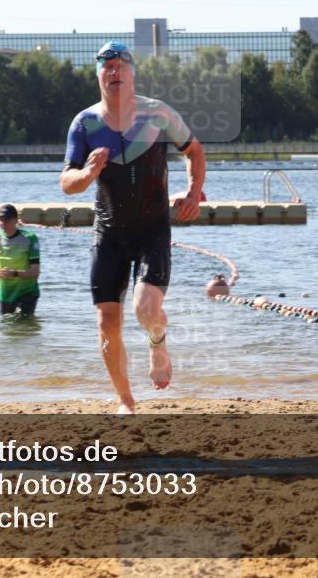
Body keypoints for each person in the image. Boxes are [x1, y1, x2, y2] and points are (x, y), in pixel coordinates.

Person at [59, 41, 206, 414]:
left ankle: (158, 344)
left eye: (121, 65)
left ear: (132, 73)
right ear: (99, 76)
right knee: (107, 322)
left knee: (145, 308)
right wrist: (89, 172)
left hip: (152, 229)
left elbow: (194, 151)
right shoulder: (85, 124)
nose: (114, 71)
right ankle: (125, 400)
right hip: (109, 233)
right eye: (106, 66)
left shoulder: (157, 114)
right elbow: (67, 183)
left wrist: (193, 192)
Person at [0, 204, 41, 316]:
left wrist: (14, 273)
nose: (3, 223)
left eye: (7, 219)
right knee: (7, 329)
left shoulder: (30, 238)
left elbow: (35, 272)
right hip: (6, 294)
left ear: (16, 220)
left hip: (27, 292)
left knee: (23, 326)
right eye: (1, 219)